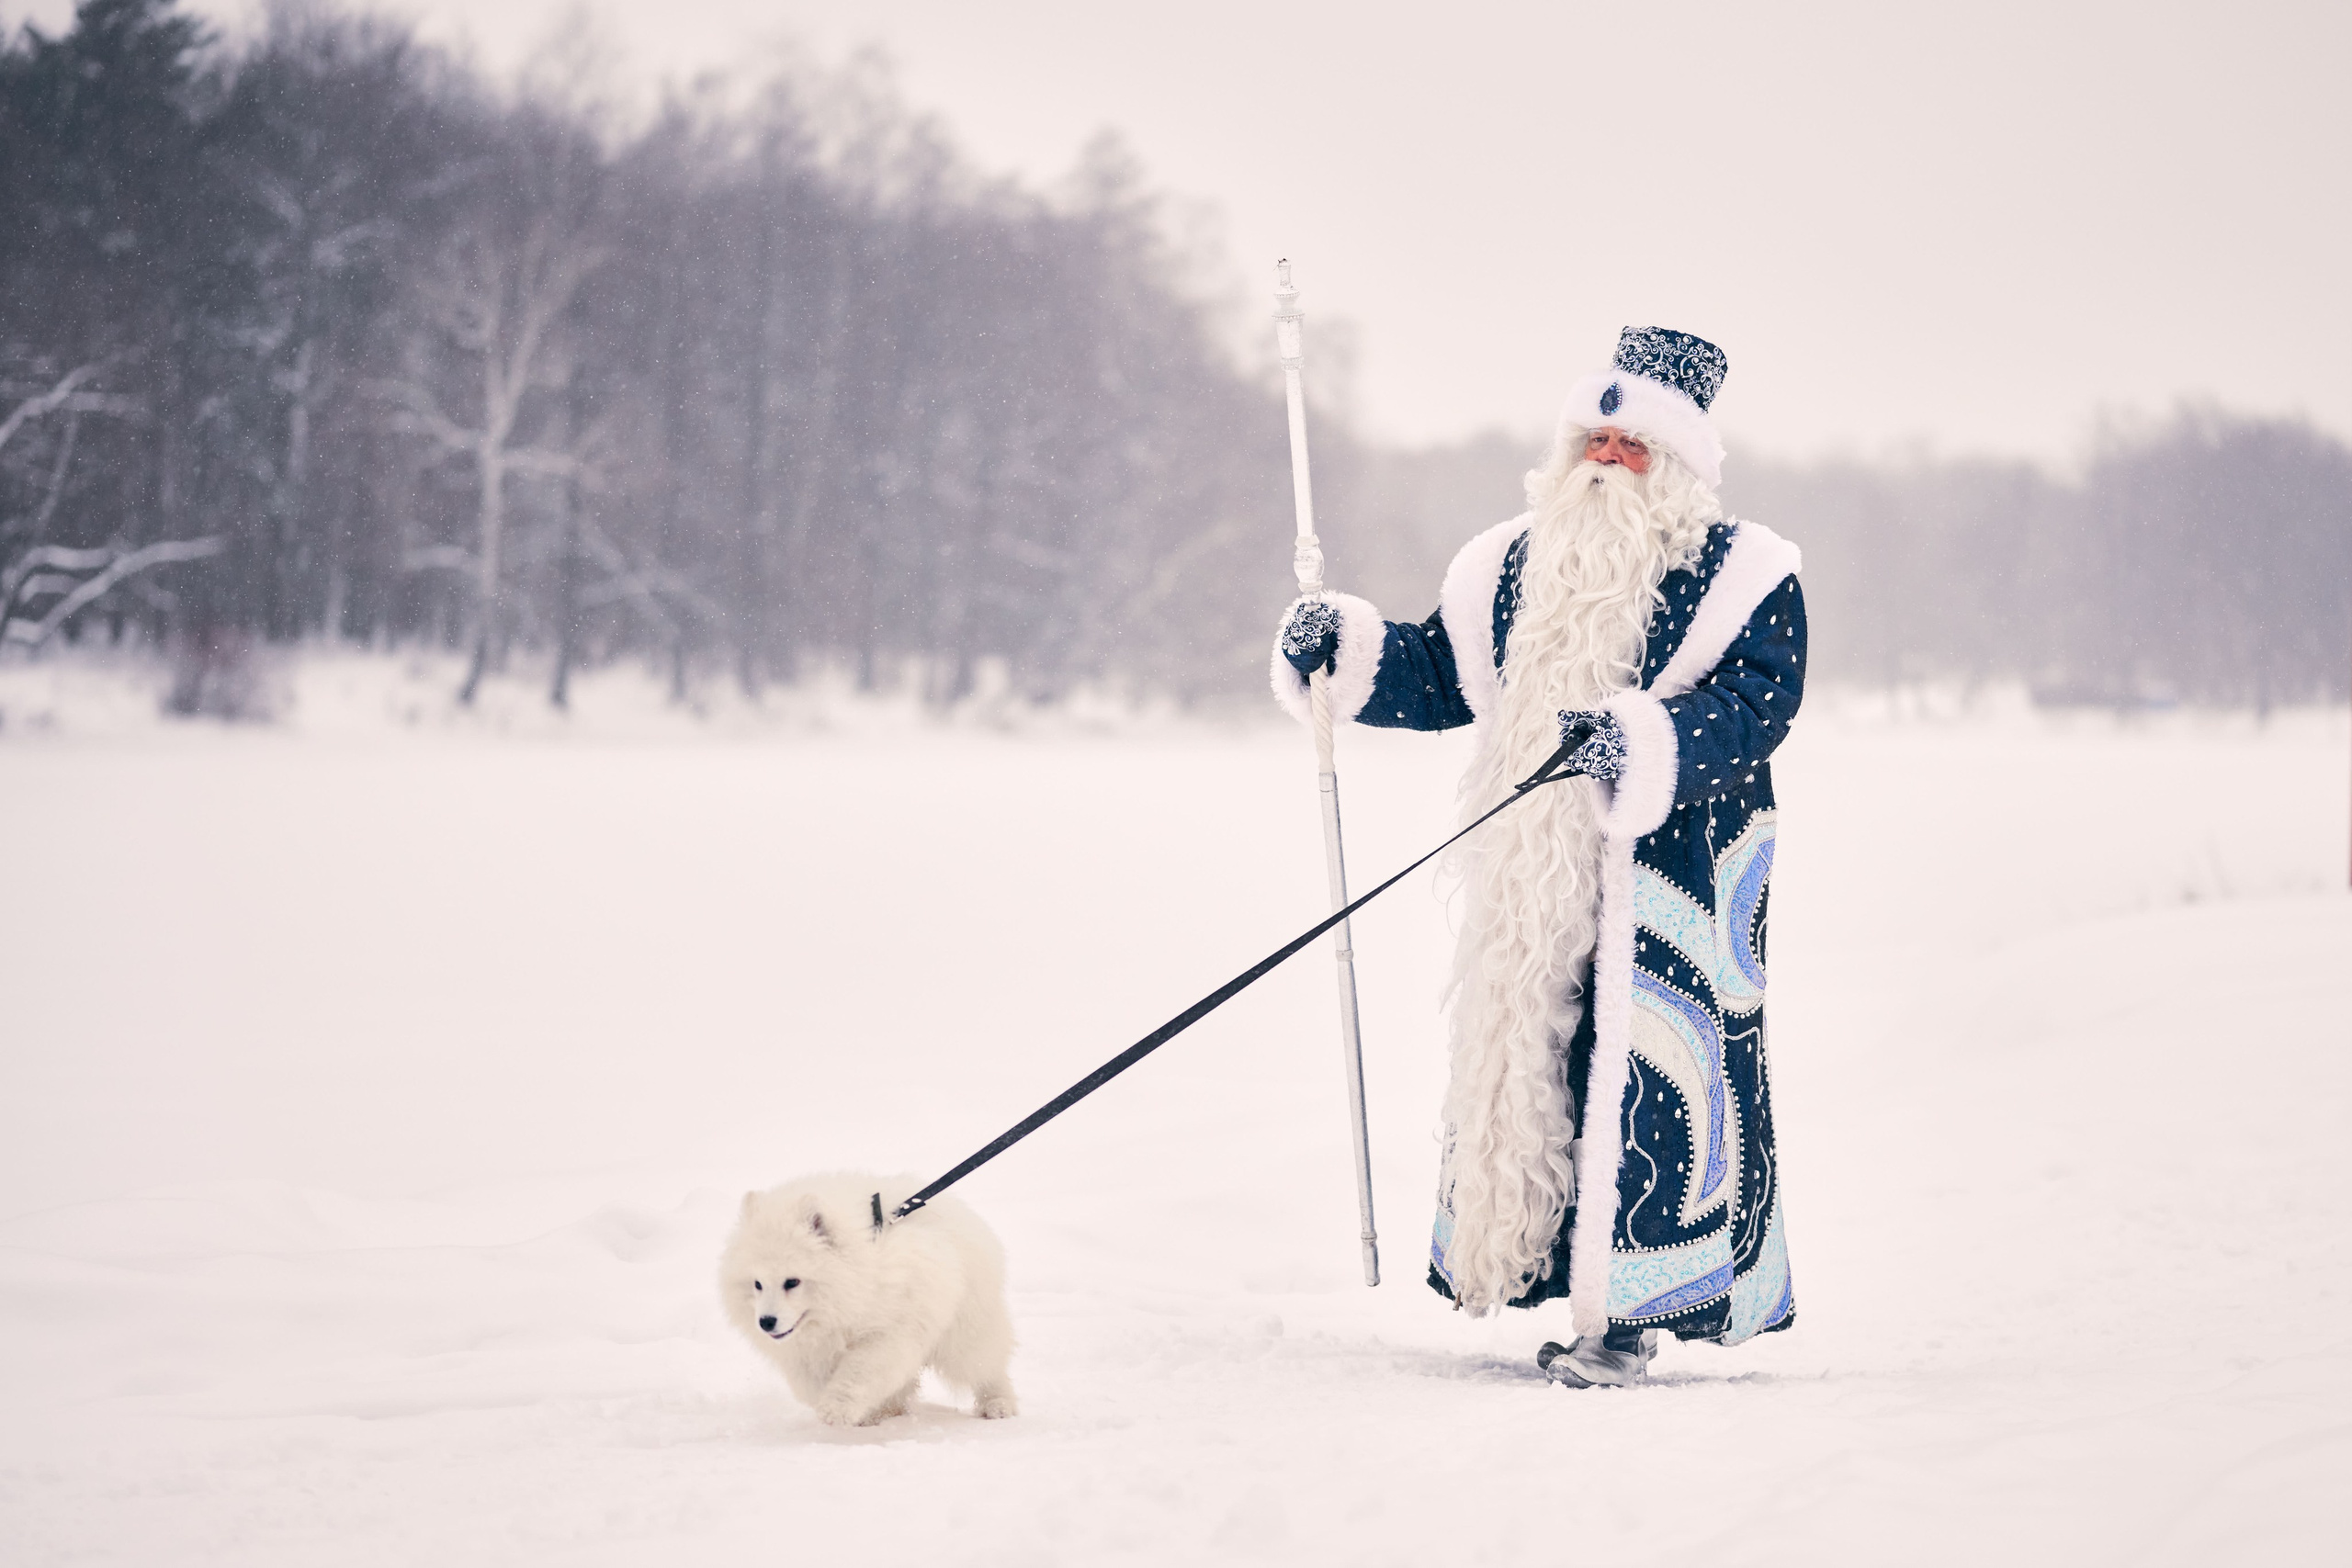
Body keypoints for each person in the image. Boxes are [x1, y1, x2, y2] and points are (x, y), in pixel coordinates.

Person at [1272, 328, 1804, 1388]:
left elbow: (1757, 706)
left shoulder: (1746, 573)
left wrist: (1634, 742)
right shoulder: (1507, 562)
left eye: (1631, 445)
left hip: (1672, 876)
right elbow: (1441, 675)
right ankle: (1539, 1279)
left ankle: (1626, 1323)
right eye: (1591, 440)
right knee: (1538, 1069)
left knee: (1649, 1084)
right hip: (1531, 875)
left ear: (1678, 464)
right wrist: (1343, 652)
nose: (1605, 458)